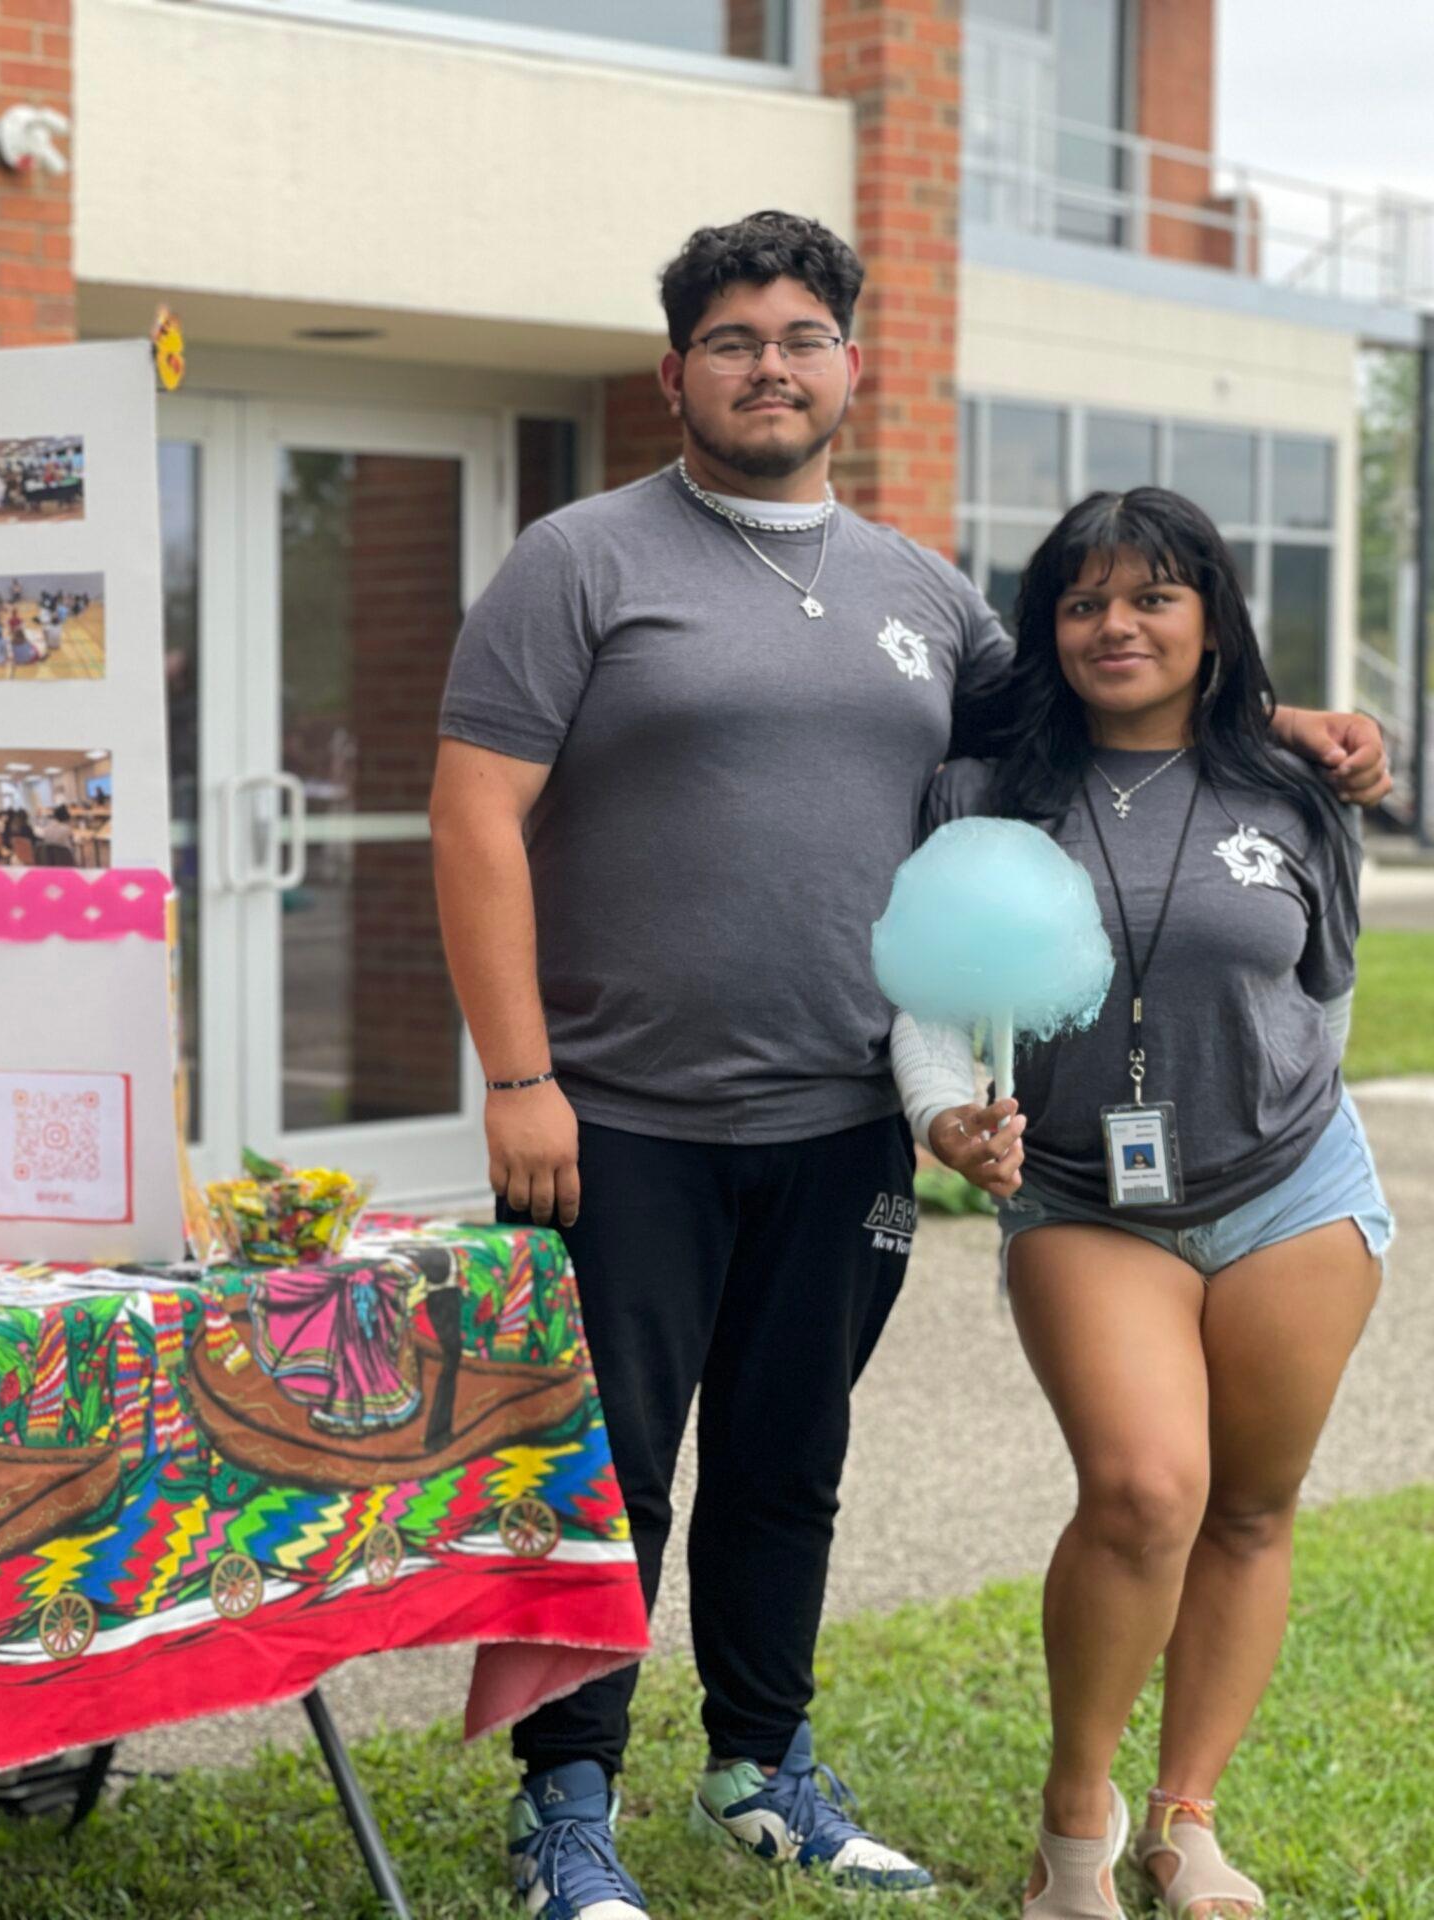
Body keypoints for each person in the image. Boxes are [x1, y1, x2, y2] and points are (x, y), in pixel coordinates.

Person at [428, 209, 1389, 1920]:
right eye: (734, 341)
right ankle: (565, 1807)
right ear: (675, 373)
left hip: (844, 1117)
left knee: (790, 1457)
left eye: (801, 337)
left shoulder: (923, 594)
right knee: (608, 1471)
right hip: (622, 1117)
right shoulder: (578, 562)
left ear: (851, 369)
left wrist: (1282, 720)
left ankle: (761, 1767)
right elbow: (474, 815)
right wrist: (519, 1077)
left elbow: (1111, 692)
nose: (770, 367)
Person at [902, 489, 1384, 1920]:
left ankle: (1185, 1821)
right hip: (1083, 1197)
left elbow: (1325, 993)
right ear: (1048, 628)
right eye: (1084, 601)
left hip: (1293, 1187)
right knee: (1143, 1491)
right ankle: (1075, 1827)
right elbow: (926, 1004)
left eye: (1153, 596)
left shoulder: (1298, 788)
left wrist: (1265, 1114)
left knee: (1251, 1506)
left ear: (1211, 621)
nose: (1116, 625)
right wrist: (941, 1116)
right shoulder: (985, 796)